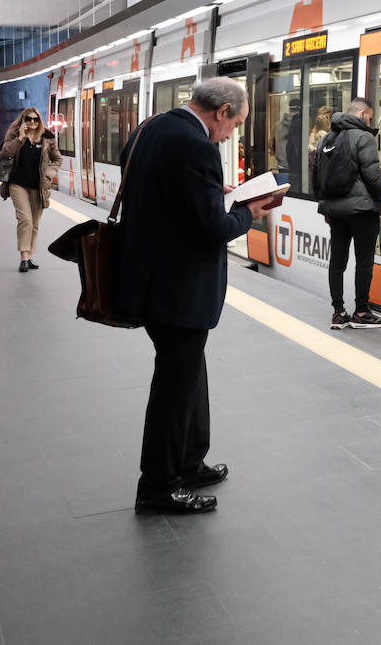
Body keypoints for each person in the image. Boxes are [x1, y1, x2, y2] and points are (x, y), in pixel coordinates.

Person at [116, 78, 274, 515]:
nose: (231, 135)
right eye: (235, 125)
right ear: (222, 110)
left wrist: (212, 195)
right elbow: (213, 230)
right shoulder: (197, 146)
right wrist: (248, 211)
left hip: (150, 278)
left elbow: (167, 196)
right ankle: (159, 487)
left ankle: (189, 461)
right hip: (177, 288)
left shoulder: (150, 128)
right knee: (174, 387)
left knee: (188, 375)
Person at [318, 97, 381, 330]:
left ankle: (338, 312)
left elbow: (317, 177)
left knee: (337, 261)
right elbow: (373, 178)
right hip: (361, 210)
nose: (370, 120)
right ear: (361, 115)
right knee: (364, 262)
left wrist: (325, 207)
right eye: (369, 116)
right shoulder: (364, 137)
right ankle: (361, 311)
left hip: (336, 211)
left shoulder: (327, 138)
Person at [0, 107, 62, 272]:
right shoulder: (14, 135)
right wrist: (20, 138)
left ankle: (29, 255)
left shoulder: (47, 137)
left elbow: (57, 159)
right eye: (28, 119)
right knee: (25, 219)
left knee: (34, 223)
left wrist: (49, 173)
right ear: (23, 120)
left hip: (39, 187)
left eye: (35, 119)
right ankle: (24, 258)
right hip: (17, 184)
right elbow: (5, 152)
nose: (32, 122)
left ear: (39, 120)